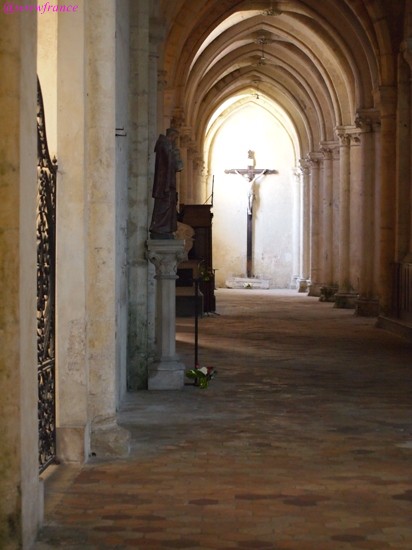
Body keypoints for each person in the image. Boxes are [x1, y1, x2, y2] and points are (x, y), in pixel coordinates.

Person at [149, 127, 183, 239]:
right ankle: (160, 229)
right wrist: (175, 153)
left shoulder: (166, 145)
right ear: (172, 136)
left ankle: (165, 229)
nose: (175, 141)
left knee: (168, 206)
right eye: (175, 138)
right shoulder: (165, 145)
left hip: (167, 182)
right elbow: (174, 164)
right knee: (164, 206)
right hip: (165, 183)